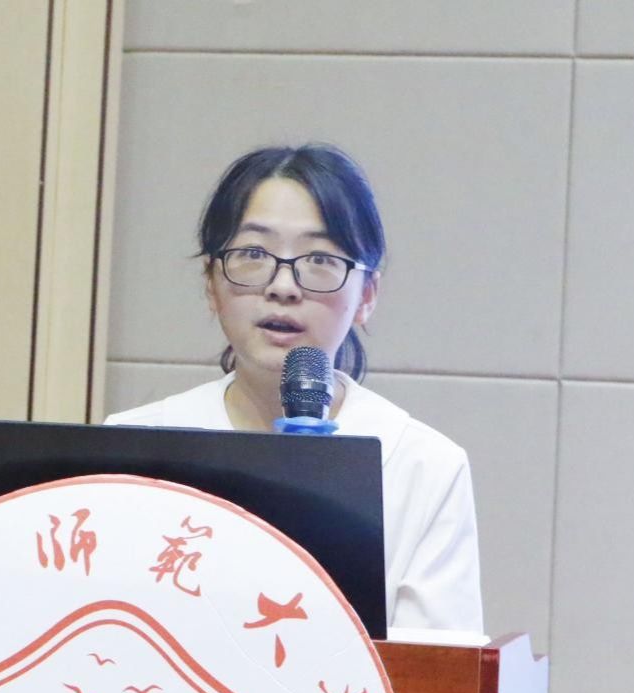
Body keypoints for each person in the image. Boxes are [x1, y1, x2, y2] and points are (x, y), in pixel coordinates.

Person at [106, 144, 482, 634]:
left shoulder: (424, 467)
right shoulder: (134, 446)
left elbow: (439, 673)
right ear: (210, 283)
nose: (283, 286)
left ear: (367, 296)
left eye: (320, 259)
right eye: (253, 254)